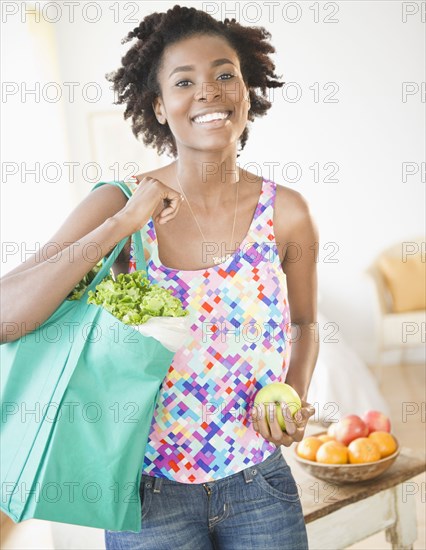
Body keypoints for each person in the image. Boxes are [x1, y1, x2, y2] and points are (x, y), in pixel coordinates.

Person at [1, 5, 319, 549]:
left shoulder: (285, 211)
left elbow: (307, 324)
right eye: (184, 81)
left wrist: (294, 391)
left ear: (247, 90)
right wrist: (125, 222)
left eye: (225, 74)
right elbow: (7, 317)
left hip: (260, 481)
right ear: (158, 105)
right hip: (149, 493)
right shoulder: (120, 202)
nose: (209, 92)